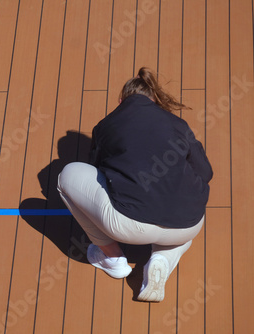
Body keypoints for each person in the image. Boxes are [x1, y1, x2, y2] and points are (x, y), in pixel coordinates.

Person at [57, 67, 213, 302]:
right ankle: (162, 259)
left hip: (128, 225)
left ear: (121, 101)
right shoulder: (178, 125)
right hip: (189, 223)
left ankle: (112, 259)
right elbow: (206, 172)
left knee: (67, 175)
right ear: (155, 100)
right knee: (181, 234)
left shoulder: (105, 126)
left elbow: (96, 170)